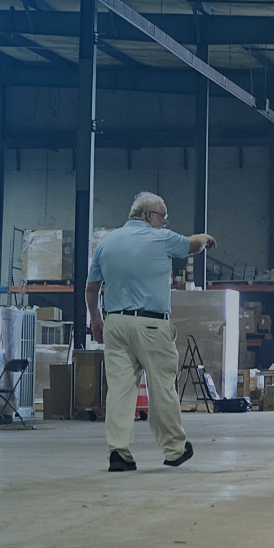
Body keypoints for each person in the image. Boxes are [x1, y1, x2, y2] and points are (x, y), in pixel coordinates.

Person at [85, 192, 216, 472]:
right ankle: (174, 449)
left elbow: (91, 288)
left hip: (115, 324)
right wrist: (204, 238)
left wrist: (96, 319)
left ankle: (118, 452)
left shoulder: (105, 243)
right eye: (163, 216)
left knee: (119, 390)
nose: (166, 221)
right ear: (148, 215)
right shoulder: (161, 238)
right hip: (151, 325)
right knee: (162, 386)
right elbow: (190, 246)